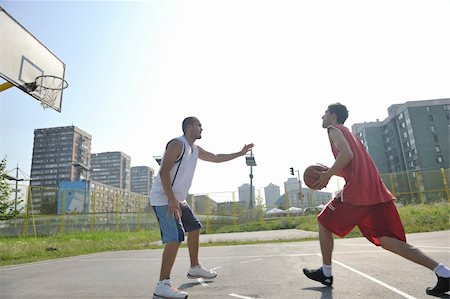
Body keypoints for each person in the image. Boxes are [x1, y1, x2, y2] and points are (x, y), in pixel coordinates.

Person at [302, 103, 450, 297]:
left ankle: (326, 273)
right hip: (375, 190)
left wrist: (327, 175)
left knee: (323, 221)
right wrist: (331, 172)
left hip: (358, 192)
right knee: (387, 240)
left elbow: (347, 155)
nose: (322, 117)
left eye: (324, 114)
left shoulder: (333, 130)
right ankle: (443, 272)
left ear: (333, 117)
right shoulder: (349, 133)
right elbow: (353, 163)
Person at [150, 116, 254, 299]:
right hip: (164, 198)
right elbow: (164, 171)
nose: (202, 129)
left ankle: (194, 267)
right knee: (175, 236)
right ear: (189, 126)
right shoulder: (177, 144)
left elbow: (217, 158)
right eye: (199, 125)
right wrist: (172, 199)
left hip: (178, 199)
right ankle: (162, 284)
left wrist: (240, 152)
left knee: (195, 227)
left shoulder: (195, 149)